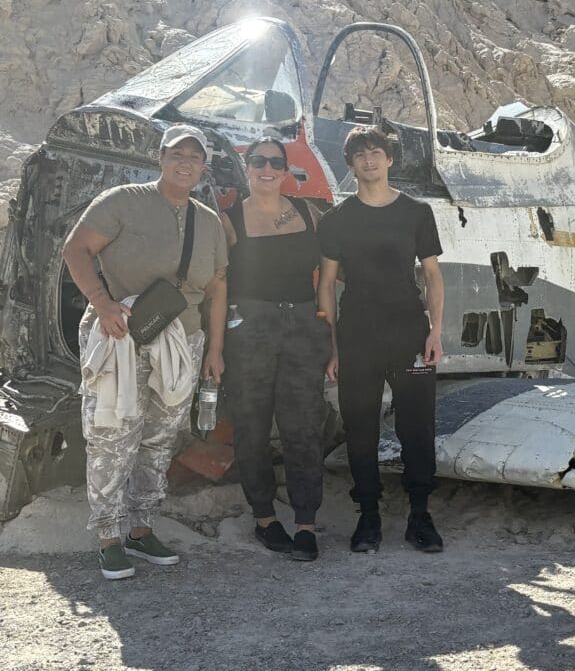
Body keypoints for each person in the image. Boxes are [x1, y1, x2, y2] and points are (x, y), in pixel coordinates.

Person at [62, 124, 228, 580]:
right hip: (120, 335)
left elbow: (217, 287)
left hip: (183, 341)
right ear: (161, 157)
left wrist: (214, 348)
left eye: (194, 157)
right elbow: (76, 250)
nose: (185, 163)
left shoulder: (207, 220)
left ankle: (141, 528)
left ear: (203, 167)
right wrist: (102, 303)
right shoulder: (122, 201)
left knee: (159, 438)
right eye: (177, 154)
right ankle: (108, 537)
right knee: (111, 432)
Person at [317, 126, 445, 553]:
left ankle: (420, 515)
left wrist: (435, 331)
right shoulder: (337, 220)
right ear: (351, 165)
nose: (368, 160)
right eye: (359, 155)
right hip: (357, 337)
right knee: (360, 427)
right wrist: (333, 344)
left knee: (416, 424)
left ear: (390, 159)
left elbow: (431, 275)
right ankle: (368, 516)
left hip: (409, 334)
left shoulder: (416, 213)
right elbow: (327, 286)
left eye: (376, 152)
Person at [219, 136, 333, 561]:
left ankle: (306, 522)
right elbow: (216, 285)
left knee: (303, 424)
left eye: (275, 162)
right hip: (250, 328)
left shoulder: (309, 213)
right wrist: (215, 346)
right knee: (251, 423)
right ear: (245, 168)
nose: (267, 169)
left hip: (304, 326)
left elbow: (327, 283)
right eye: (258, 161)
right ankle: (265, 518)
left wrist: (333, 341)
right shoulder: (229, 220)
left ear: (286, 171)